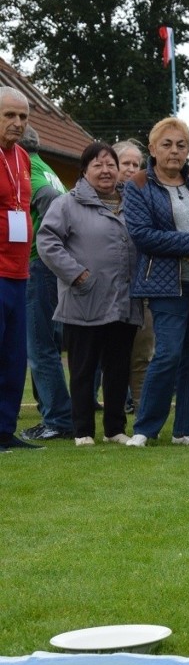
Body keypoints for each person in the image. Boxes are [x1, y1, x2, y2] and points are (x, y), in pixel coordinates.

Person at [36, 141, 141, 445]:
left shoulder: (131, 203)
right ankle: (83, 430)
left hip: (124, 301)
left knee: (118, 368)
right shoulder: (67, 204)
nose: (106, 170)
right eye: (98, 165)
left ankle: (115, 429)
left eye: (111, 164)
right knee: (83, 369)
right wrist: (76, 274)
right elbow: (47, 242)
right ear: (84, 171)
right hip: (84, 298)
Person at [123, 116, 189, 447]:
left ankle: (185, 430)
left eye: (181, 145)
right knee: (168, 354)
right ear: (152, 149)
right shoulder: (137, 185)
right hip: (165, 286)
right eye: (167, 144)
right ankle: (145, 429)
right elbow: (142, 235)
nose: (174, 151)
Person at [19, 124, 73, 441]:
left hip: (38, 264)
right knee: (47, 343)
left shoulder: (27, 166)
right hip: (46, 264)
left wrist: (47, 241)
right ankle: (53, 415)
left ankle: (58, 420)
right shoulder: (46, 166)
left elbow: (49, 198)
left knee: (40, 347)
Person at [0, 86, 41, 451]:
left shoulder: (24, 159)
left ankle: (5, 430)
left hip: (19, 272)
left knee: (14, 360)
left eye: (23, 117)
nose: (17, 123)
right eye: (9, 115)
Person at [115, 140, 153, 409]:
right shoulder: (99, 199)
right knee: (112, 357)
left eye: (136, 164)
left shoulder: (149, 197)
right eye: (125, 163)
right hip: (111, 289)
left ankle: (142, 411)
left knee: (143, 354)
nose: (131, 169)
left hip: (144, 287)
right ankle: (112, 416)